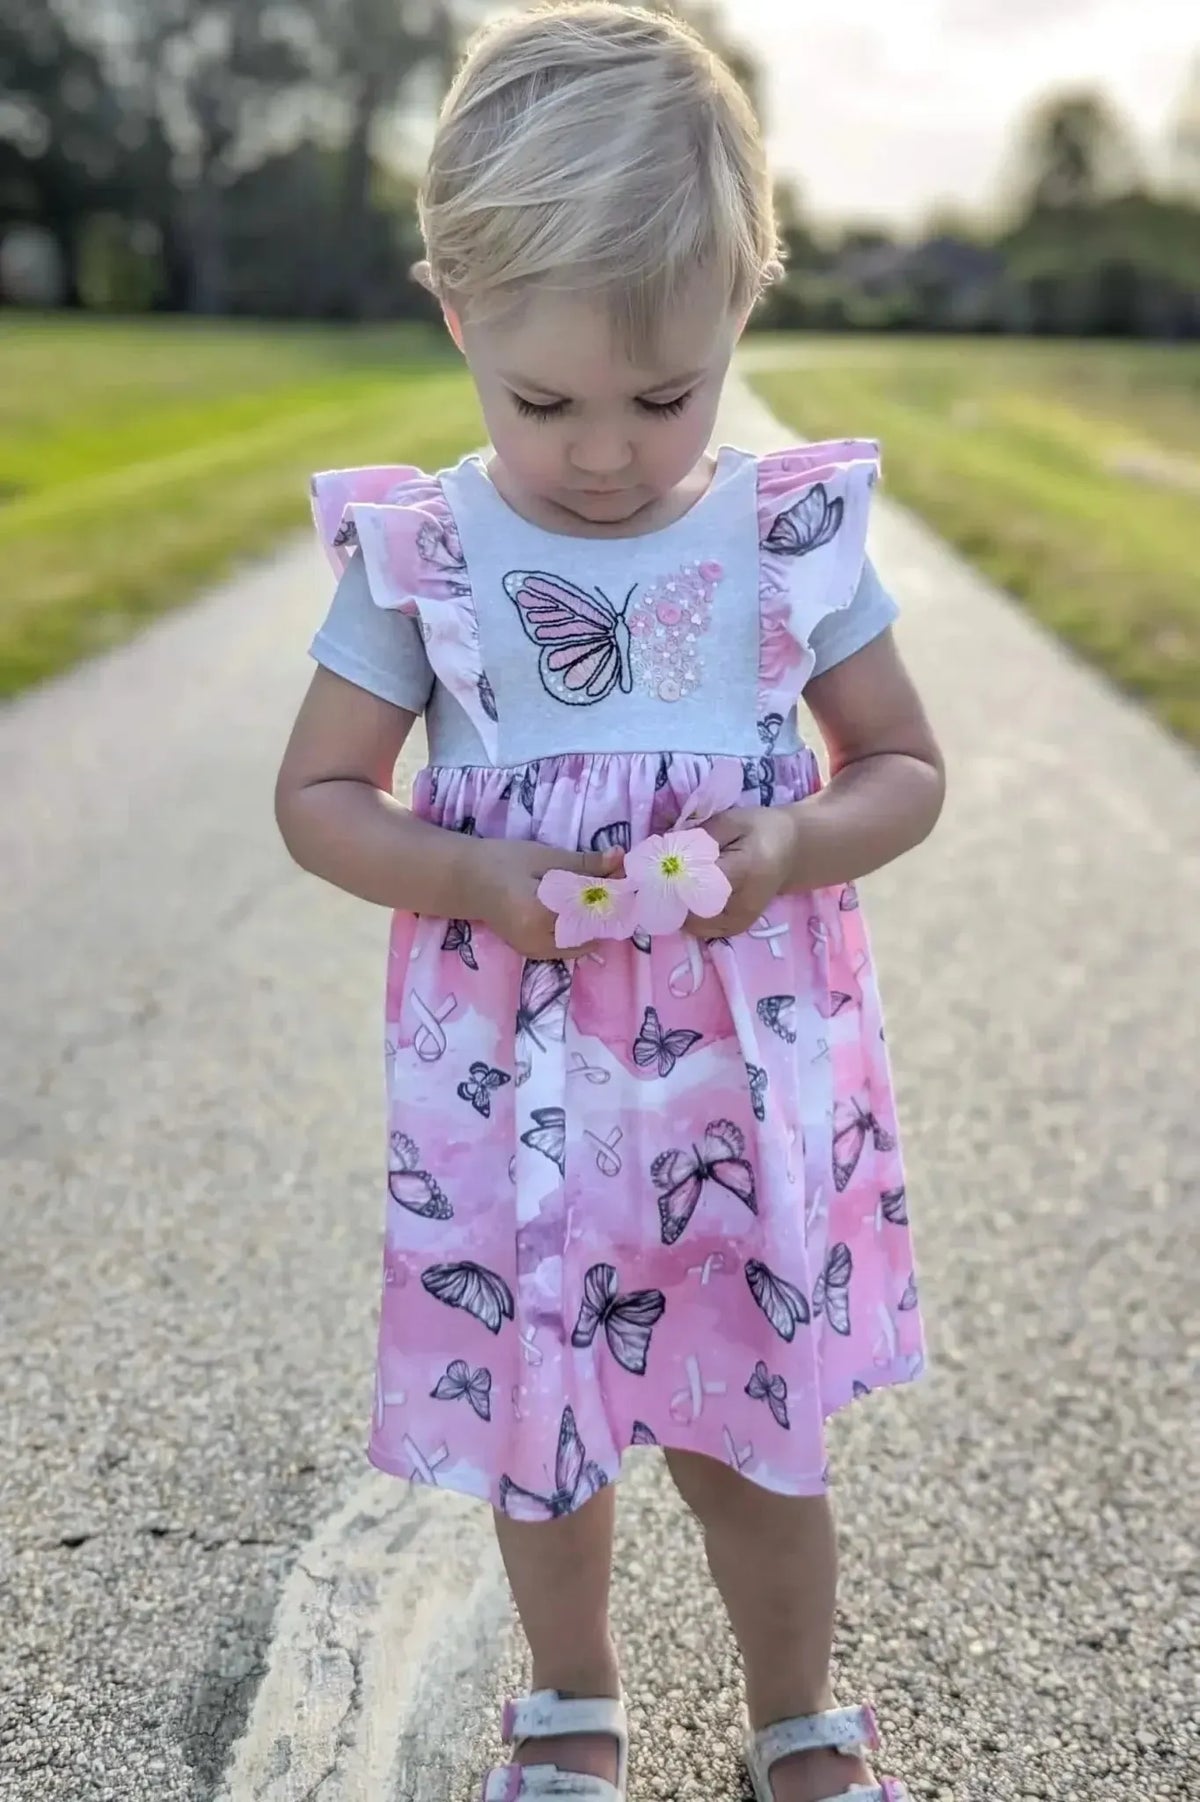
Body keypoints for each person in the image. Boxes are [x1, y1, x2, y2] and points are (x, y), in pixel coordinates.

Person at [275, 6, 944, 1799]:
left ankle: (796, 1711)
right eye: (542, 399)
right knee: (542, 1444)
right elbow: (321, 799)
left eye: (662, 400)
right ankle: (569, 1694)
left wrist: (793, 845)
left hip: (739, 1093)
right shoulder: (427, 563)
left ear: (740, 313)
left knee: (760, 1446)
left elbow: (905, 766)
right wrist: (473, 872)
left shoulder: (783, 544)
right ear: (458, 320)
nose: (598, 454)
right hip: (522, 1105)